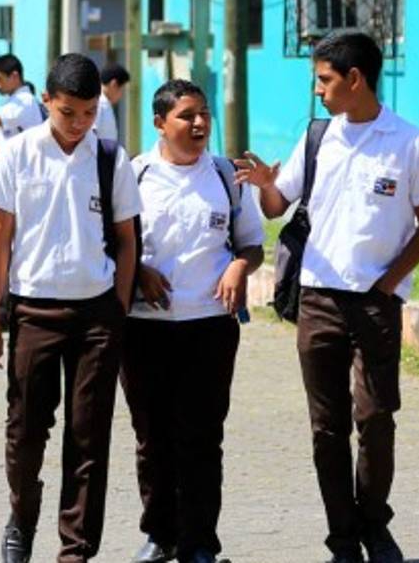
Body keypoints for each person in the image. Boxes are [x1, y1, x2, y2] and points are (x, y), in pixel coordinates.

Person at [236, 31, 419, 563]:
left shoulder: (409, 142)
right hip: (318, 302)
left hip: (375, 304)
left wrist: (388, 283)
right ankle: (343, 540)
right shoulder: (317, 137)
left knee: (375, 419)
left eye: (324, 80)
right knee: (326, 428)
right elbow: (275, 206)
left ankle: (376, 527)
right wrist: (264, 183)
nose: (318, 90)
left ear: (355, 78)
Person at [0, 53, 140, 563]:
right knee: (25, 432)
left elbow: (127, 239)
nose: (78, 123)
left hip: (97, 317)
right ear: (46, 100)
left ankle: (76, 549)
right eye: (68, 112)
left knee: (88, 437)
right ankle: (22, 517)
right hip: (33, 312)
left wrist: (118, 308)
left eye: (89, 112)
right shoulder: (18, 153)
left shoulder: (110, 158)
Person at [121, 80, 264, 563]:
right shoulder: (134, 175)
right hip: (145, 326)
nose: (199, 122)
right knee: (152, 436)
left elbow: (252, 243)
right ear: (160, 123)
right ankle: (160, 534)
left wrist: (239, 266)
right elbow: (115, 241)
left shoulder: (224, 175)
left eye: (203, 113)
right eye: (186, 115)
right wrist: (138, 272)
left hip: (210, 325)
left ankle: (200, 542)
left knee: (202, 437)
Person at [95, 62, 130, 143]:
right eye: (122, 89)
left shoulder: (104, 104)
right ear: (114, 84)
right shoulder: (98, 104)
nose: (122, 94)